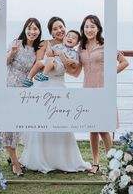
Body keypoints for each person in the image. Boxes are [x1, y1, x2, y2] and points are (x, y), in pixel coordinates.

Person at [20, 17, 91, 173]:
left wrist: (63, 57)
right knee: (41, 124)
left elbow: (75, 72)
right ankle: (40, 159)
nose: (59, 30)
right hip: (42, 84)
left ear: (65, 28)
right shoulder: (45, 43)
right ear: (51, 31)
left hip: (59, 86)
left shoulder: (71, 48)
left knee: (61, 124)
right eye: (55, 28)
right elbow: (38, 63)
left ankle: (63, 160)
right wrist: (50, 58)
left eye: (61, 27)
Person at [77, 14, 129, 175]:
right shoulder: (81, 47)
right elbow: (76, 68)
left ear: (98, 28)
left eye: (92, 26)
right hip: (88, 91)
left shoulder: (107, 45)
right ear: (83, 29)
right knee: (92, 128)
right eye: (86, 26)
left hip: (104, 90)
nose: (89, 29)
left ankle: (113, 163)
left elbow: (124, 62)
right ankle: (96, 163)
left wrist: (110, 75)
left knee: (104, 128)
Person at [0, 17, 42, 176]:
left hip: (26, 91)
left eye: (35, 29)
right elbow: (4, 62)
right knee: (10, 126)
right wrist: (12, 52)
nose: (32, 32)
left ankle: (14, 156)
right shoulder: (16, 43)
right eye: (29, 28)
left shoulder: (37, 49)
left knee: (20, 126)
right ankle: (15, 163)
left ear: (39, 32)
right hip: (11, 87)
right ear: (25, 29)